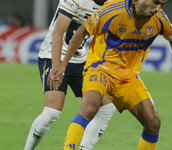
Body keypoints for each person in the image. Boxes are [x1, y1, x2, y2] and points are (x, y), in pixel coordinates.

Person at [49, 0, 172, 149]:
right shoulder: (112, 11)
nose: (158, 8)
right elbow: (82, 30)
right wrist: (63, 65)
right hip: (100, 68)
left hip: (128, 77)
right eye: (155, 2)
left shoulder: (159, 18)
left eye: (161, 4)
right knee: (89, 109)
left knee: (153, 122)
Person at [24, 0, 116, 149]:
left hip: (80, 59)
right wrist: (56, 67)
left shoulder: (112, 4)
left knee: (106, 107)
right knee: (52, 112)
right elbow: (58, 32)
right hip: (53, 55)